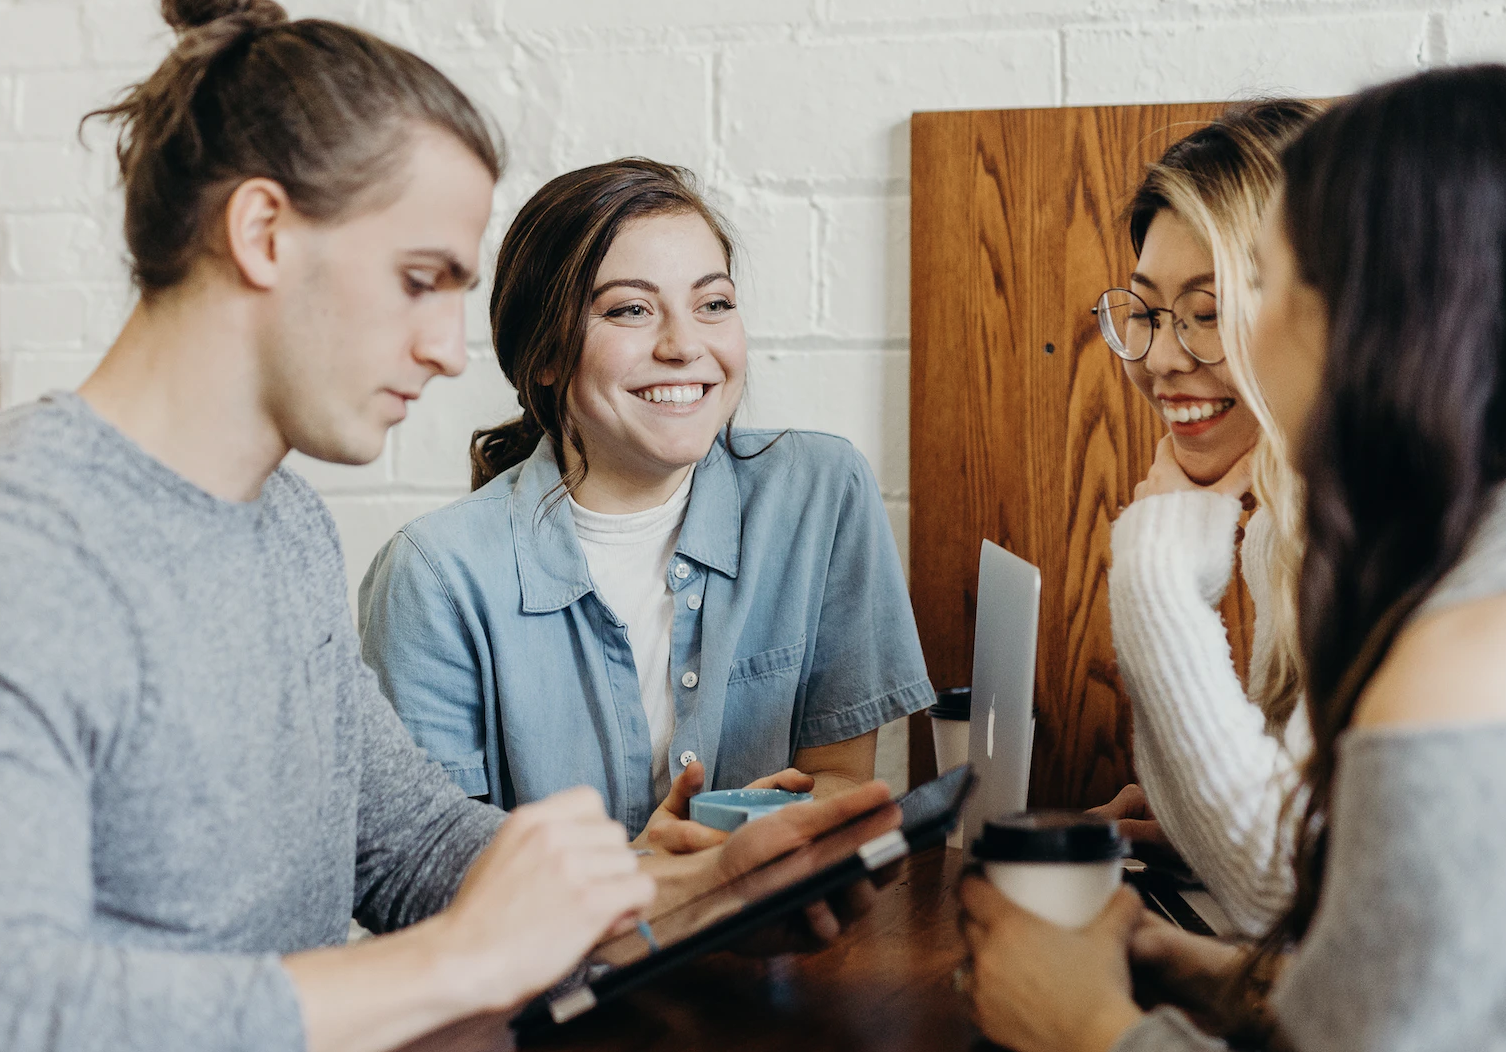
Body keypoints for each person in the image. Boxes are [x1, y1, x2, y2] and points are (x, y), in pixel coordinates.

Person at [0, 5, 894, 1051]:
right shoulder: (35, 549)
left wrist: (685, 892)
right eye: (419, 281)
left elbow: (411, 844)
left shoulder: (282, 522)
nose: (442, 349)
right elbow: (25, 1004)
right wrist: (457, 962)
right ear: (262, 233)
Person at [960, 64, 1506, 1052]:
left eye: (1269, 286)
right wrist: (1215, 973)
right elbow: (1400, 997)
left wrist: (1089, 1025)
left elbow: (1280, 883)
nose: (1168, 354)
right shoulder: (1436, 562)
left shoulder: (1461, 645)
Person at [359, 158, 933, 851]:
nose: (685, 345)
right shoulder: (434, 575)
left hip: (772, 944)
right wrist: (653, 875)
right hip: (560, 959)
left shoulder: (820, 492)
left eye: (713, 303)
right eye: (630, 309)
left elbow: (839, 780)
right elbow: (434, 874)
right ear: (543, 355)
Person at [1091, 100, 1321, 937]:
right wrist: (1192, 817)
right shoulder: (1284, 529)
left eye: (1209, 309)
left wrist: (1153, 569)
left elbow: (1280, 890)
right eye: (1148, 311)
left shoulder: (1384, 538)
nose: (1158, 357)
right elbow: (1297, 857)